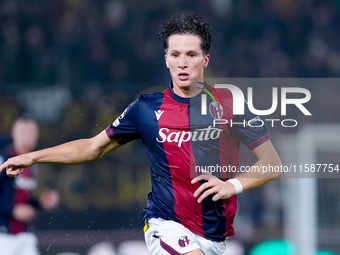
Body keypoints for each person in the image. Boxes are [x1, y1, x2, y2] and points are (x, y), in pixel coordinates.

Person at [0, 13, 281, 255]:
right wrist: (33, 157)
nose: (183, 63)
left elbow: (272, 163)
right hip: (166, 225)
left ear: (205, 60)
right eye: (175, 54)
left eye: (191, 55)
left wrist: (232, 185)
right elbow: (92, 148)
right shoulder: (146, 109)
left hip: (214, 236)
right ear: (166, 60)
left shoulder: (232, 104)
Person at [0, 117, 59, 255]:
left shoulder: (31, 164)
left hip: (25, 234)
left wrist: (40, 203)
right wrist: (12, 209)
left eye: (31, 132)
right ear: (14, 133)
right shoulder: (4, 159)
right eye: (23, 132)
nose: (27, 136)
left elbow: (23, 198)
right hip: (3, 235)